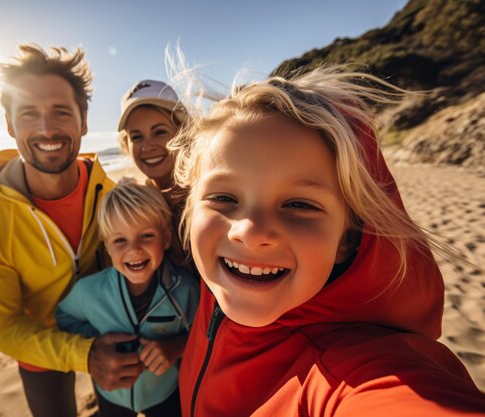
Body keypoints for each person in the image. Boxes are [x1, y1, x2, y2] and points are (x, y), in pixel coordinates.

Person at [168, 66, 485, 416]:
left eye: (299, 205)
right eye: (223, 199)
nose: (249, 231)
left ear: (346, 239)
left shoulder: (351, 371)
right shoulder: (218, 280)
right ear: (192, 208)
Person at [0, 44, 142, 417]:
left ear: (83, 120)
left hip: (117, 329)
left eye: (60, 112)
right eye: (28, 114)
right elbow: (0, 325)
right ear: (10, 125)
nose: (46, 128)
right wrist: (83, 354)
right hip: (40, 345)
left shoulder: (110, 195)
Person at [55, 178, 199, 417]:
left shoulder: (185, 290)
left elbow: (206, 335)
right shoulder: (89, 292)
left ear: (165, 238)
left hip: (166, 392)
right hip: (111, 393)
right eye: (120, 240)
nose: (133, 249)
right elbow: (65, 318)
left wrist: (175, 347)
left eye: (146, 236)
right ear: (106, 246)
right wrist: (95, 344)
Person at [117, 80, 192, 269]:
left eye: (159, 132)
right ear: (126, 144)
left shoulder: (209, 191)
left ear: (184, 131)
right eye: (137, 136)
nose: (148, 146)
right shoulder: (139, 205)